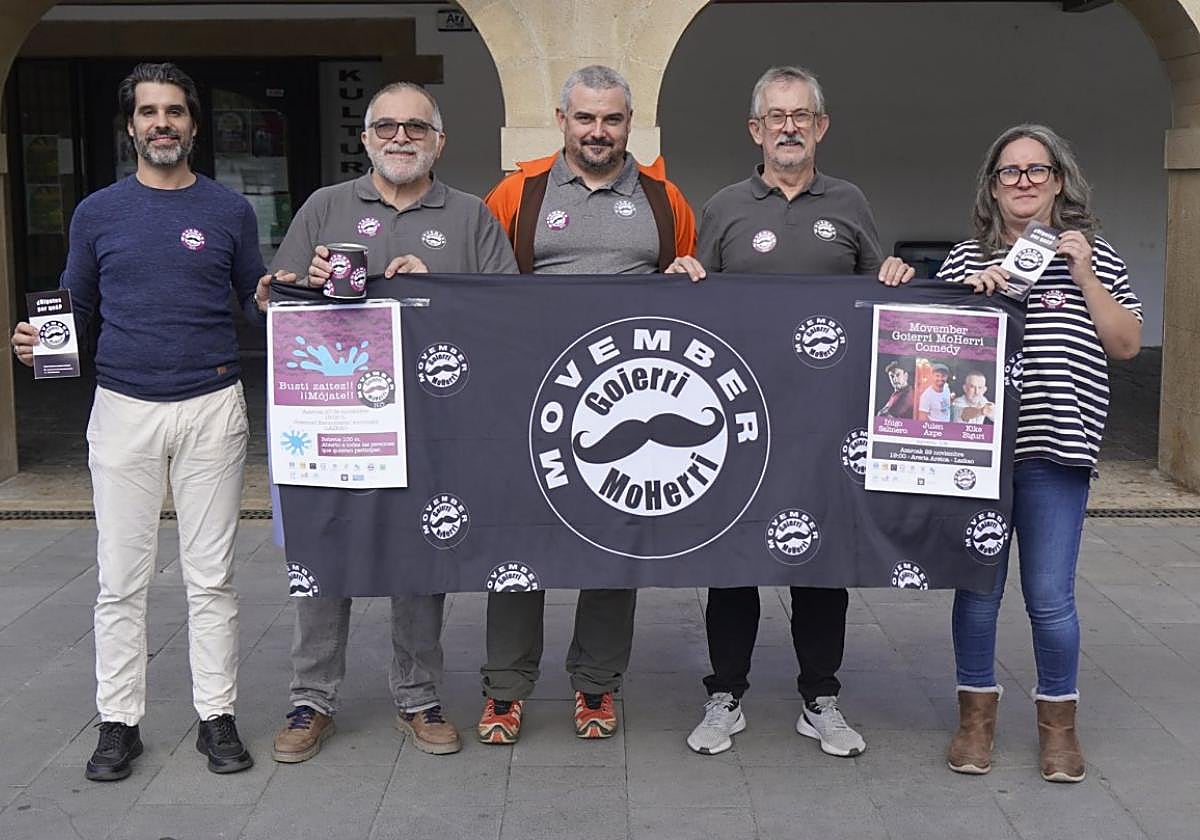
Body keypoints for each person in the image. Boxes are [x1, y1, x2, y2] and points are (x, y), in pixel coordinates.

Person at [10, 62, 286, 781]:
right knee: (120, 579)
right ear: (130, 125)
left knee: (211, 578)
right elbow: (78, 303)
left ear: (193, 124)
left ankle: (217, 717)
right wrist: (44, 338)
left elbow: (253, 297)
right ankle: (118, 722)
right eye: (148, 113)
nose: (162, 124)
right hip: (124, 408)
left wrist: (275, 294)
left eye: (174, 112)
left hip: (212, 406)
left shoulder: (228, 210)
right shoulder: (98, 212)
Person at [267, 82, 518, 761]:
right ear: (367, 137)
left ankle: (419, 696)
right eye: (386, 127)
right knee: (324, 552)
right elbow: (275, 299)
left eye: (415, 127)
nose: (400, 137)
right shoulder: (326, 207)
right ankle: (310, 698)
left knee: (420, 558)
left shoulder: (469, 216)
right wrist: (303, 279)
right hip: (336, 416)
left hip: (435, 417)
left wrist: (435, 285)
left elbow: (507, 315)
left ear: (439, 141)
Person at [887, 123, 1142, 782]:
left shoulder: (1096, 253)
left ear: (1059, 180)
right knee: (977, 592)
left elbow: (1126, 344)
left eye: (1036, 170)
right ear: (993, 187)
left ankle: (1059, 728)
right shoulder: (967, 258)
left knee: (1051, 597)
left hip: (1057, 449)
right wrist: (971, 298)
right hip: (976, 457)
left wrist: (1083, 271)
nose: (1023, 181)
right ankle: (976, 722)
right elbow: (929, 357)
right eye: (1010, 172)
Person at [685, 65, 912, 757]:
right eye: (775, 117)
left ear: (820, 127)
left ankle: (821, 696)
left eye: (801, 116)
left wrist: (896, 274)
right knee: (732, 556)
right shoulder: (724, 206)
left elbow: (878, 292)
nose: (788, 127)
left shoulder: (849, 201)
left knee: (821, 559)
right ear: (755, 130)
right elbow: (693, 305)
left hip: (823, 422)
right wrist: (683, 278)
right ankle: (725, 693)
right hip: (740, 417)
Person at [477, 65, 704, 745]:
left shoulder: (666, 199)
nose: (597, 131)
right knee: (521, 544)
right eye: (585, 118)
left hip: (622, 401)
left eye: (611, 118)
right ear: (562, 119)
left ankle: (597, 685)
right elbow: (484, 285)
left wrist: (686, 279)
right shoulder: (519, 191)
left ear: (629, 123)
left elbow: (687, 286)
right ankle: (504, 690)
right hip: (534, 396)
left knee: (613, 545)